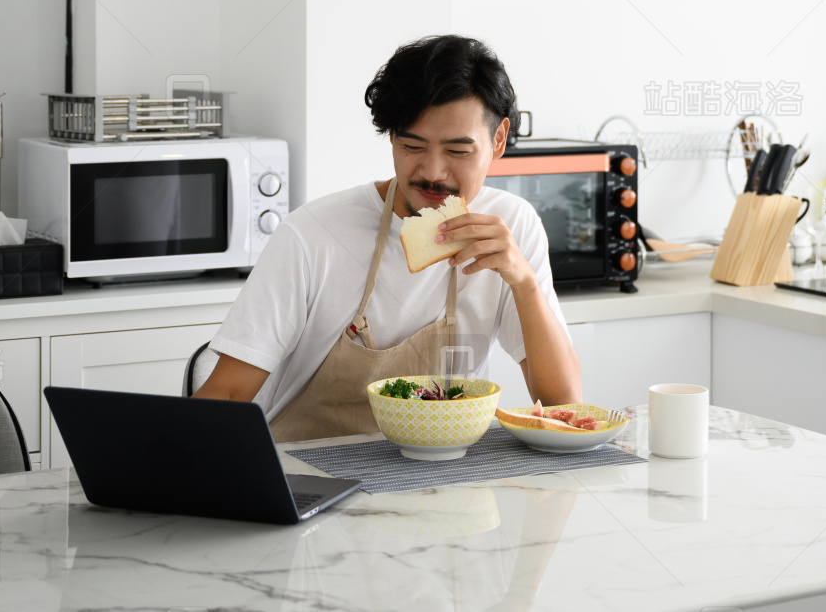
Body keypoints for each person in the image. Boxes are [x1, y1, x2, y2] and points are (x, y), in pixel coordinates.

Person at [193, 35, 581, 441]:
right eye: (412, 145)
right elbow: (229, 392)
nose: (433, 172)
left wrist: (524, 282)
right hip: (309, 473)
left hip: (445, 478)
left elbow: (562, 404)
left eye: (457, 152)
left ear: (498, 140)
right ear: (392, 137)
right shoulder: (311, 235)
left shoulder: (512, 225)